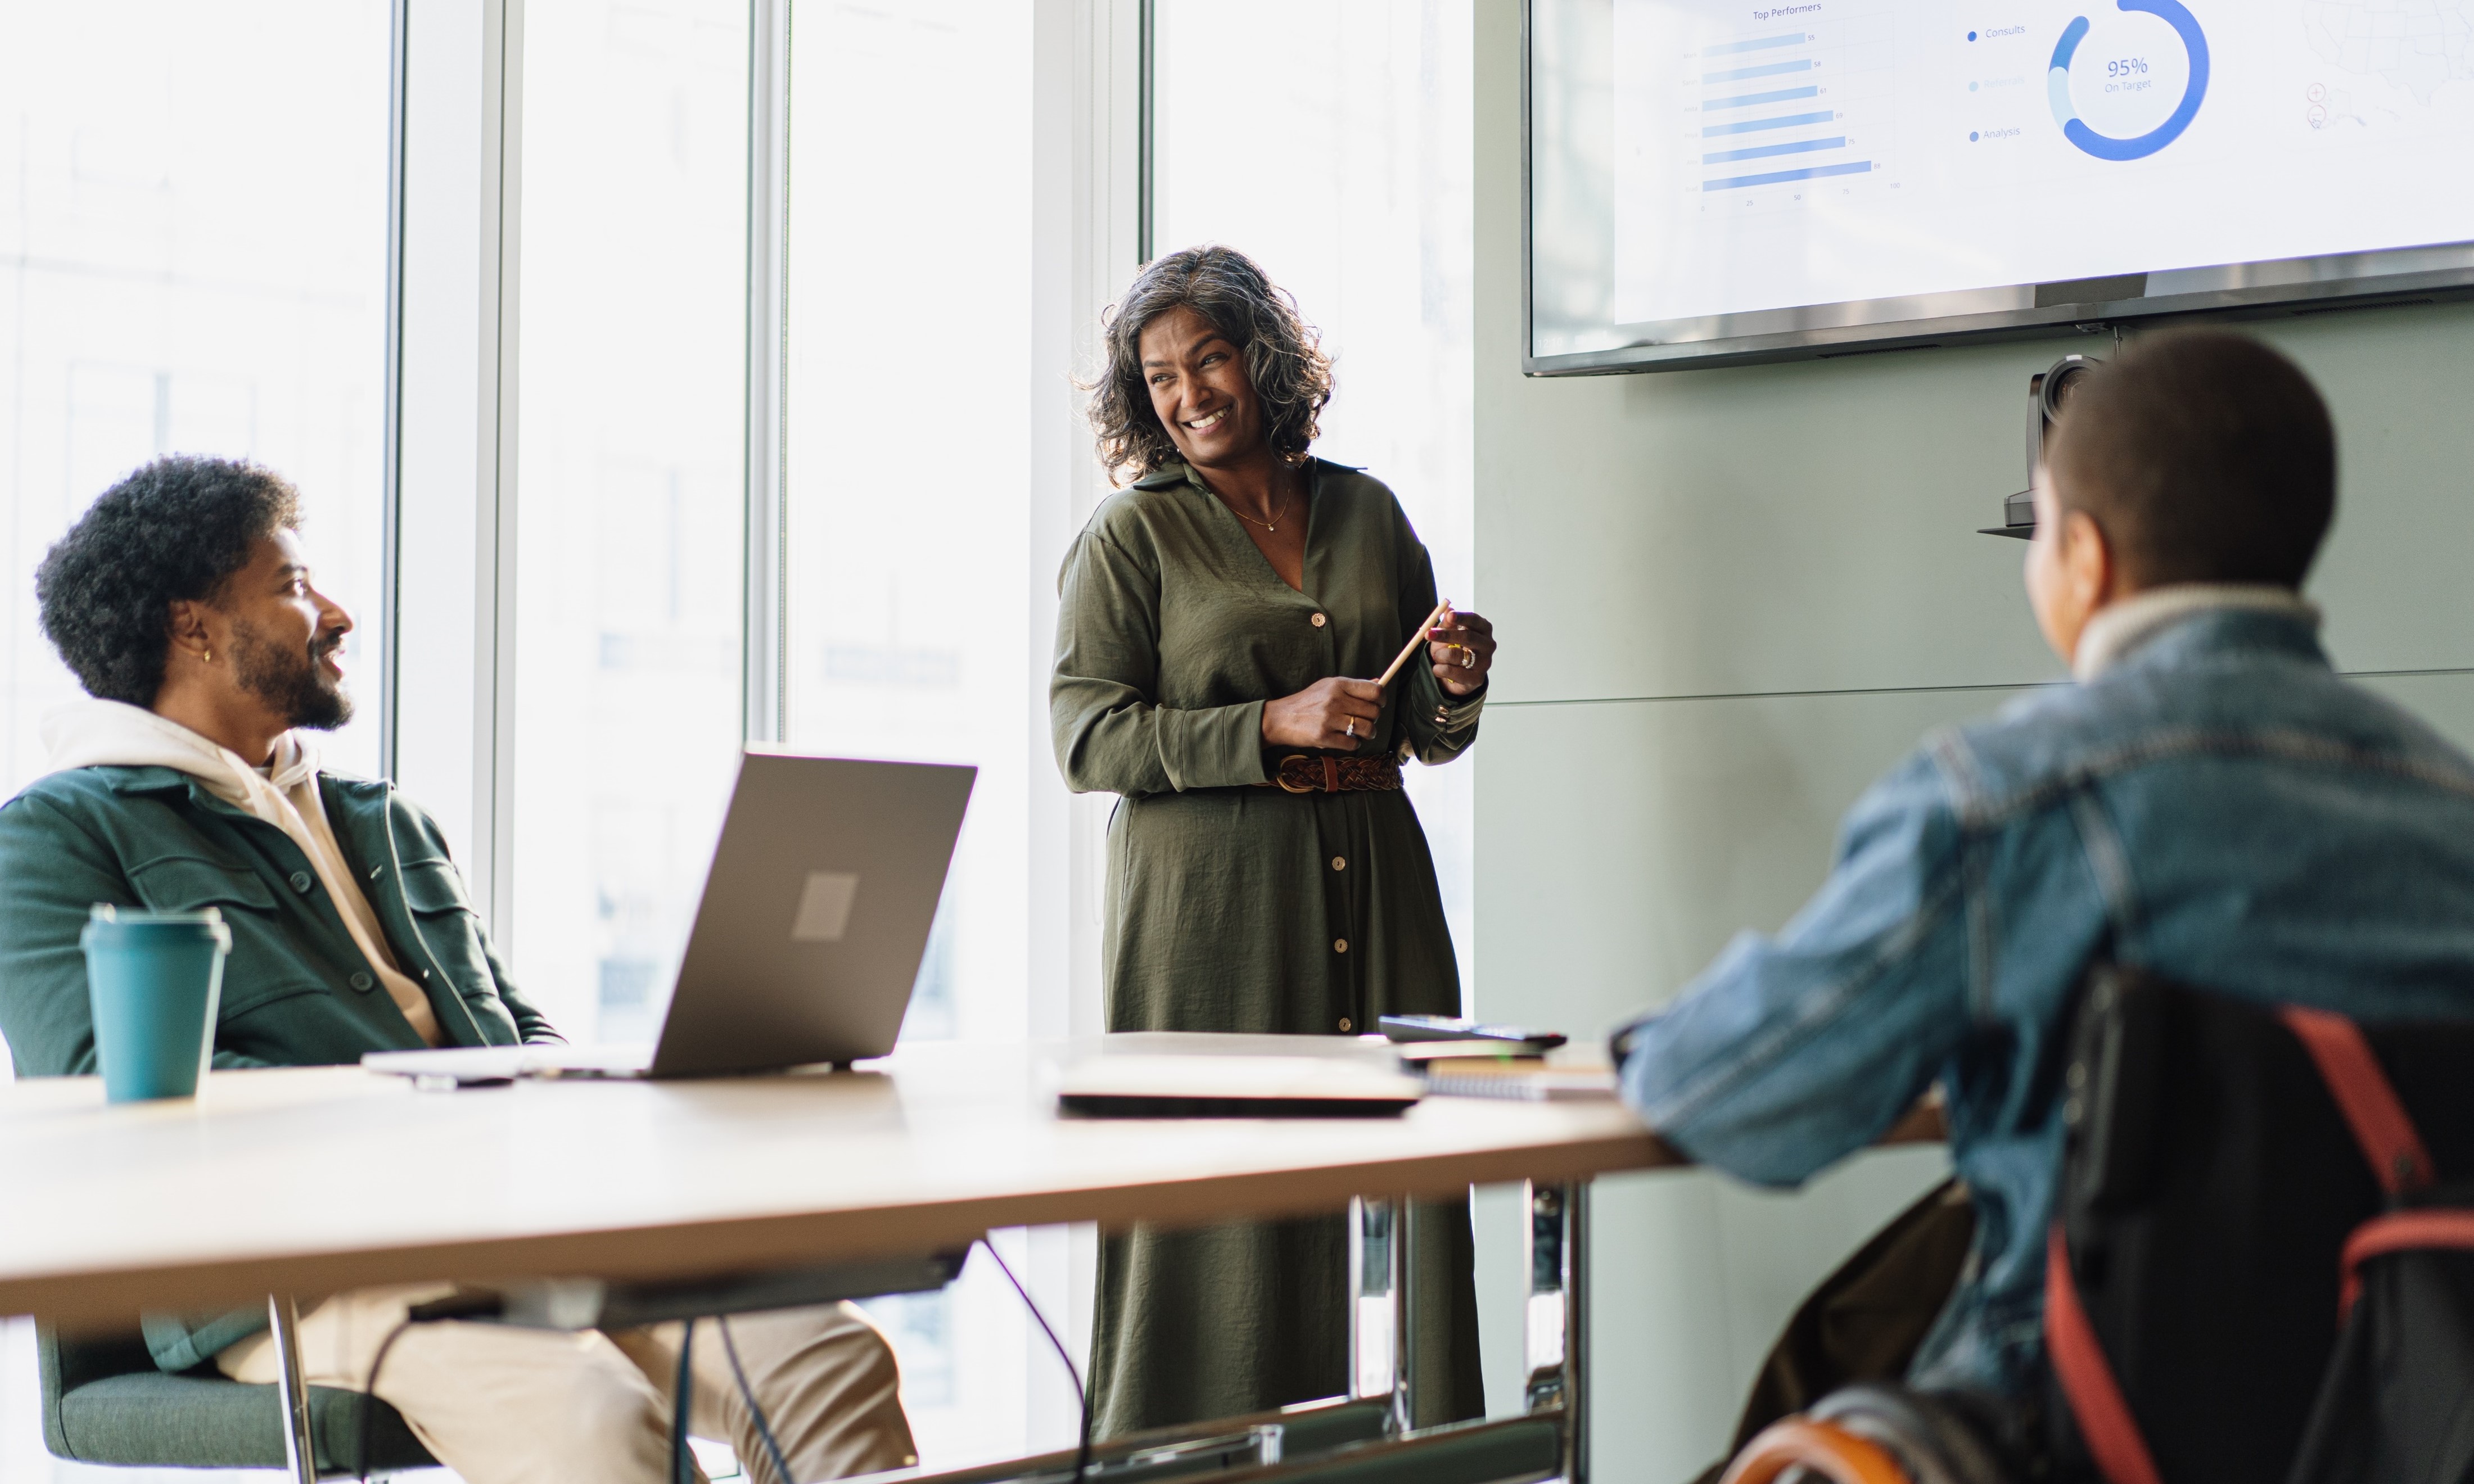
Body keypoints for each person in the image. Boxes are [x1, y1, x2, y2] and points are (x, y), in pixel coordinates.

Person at [0, 456, 915, 1484]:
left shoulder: (379, 817)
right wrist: (439, 1116)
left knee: (829, 1359)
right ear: (194, 627)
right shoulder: (54, 837)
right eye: (296, 586)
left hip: (523, 1223)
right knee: (593, 1418)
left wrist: (587, 1084)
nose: (338, 614)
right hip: (298, 1273)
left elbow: (509, 1026)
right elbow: (115, 1106)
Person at [1614, 328, 2474, 1415]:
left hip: (2077, 1426)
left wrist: (1648, 1042)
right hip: (2401, 1426)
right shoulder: (2451, 801)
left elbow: (1743, 1093)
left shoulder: (2006, 800)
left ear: (2085, 555)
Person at [1051, 246, 1495, 1435]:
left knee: (1392, 1188)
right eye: (1159, 378)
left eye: (1209, 359)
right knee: (1217, 1210)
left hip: (1379, 902)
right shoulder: (1129, 539)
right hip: (1210, 929)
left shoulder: (1368, 513)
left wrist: (1453, 682)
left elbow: (1424, 735)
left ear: (1261, 361)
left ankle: (1404, 1456)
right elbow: (1087, 738)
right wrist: (1267, 724)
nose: (1188, 393)